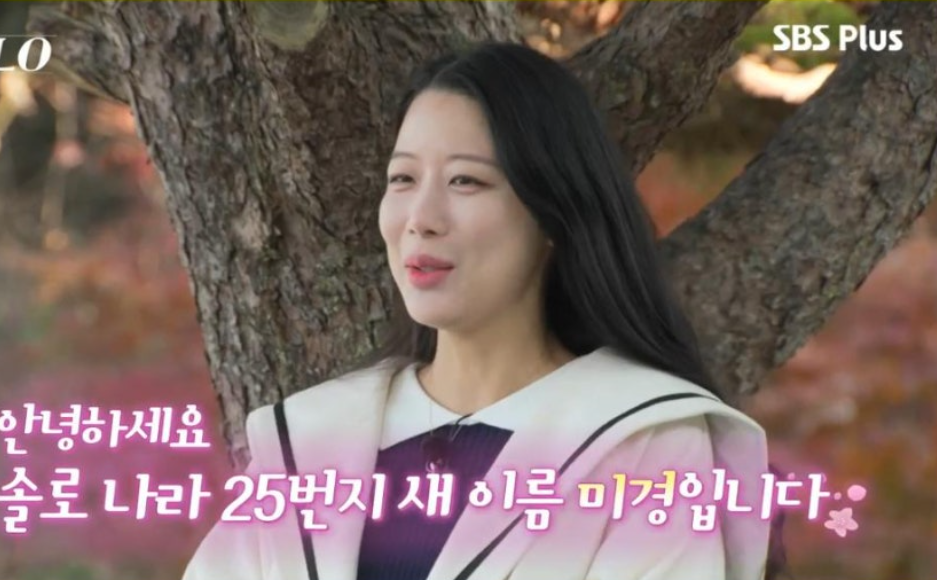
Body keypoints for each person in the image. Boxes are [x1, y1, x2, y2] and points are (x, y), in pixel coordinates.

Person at [182, 41, 784, 580]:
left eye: (466, 181)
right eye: (402, 179)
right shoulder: (310, 440)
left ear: (552, 213)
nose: (421, 218)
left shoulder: (644, 442)